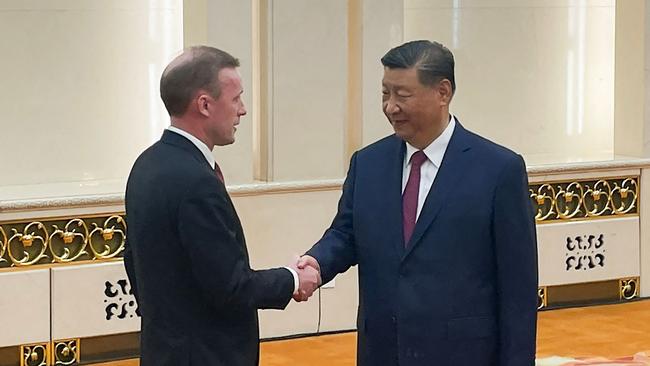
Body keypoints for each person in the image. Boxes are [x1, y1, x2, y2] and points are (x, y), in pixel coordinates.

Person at [298, 40, 538, 365]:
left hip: (463, 354)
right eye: (385, 93)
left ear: (443, 92)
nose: (390, 107)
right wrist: (316, 263)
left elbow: (518, 289)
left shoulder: (498, 170)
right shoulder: (368, 163)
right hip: (383, 351)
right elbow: (346, 234)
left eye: (402, 95)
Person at [124, 46, 320, 366]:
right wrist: (294, 280)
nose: (242, 110)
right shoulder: (196, 182)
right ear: (204, 104)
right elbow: (231, 287)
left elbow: (133, 260)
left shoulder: (145, 165)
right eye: (236, 99)